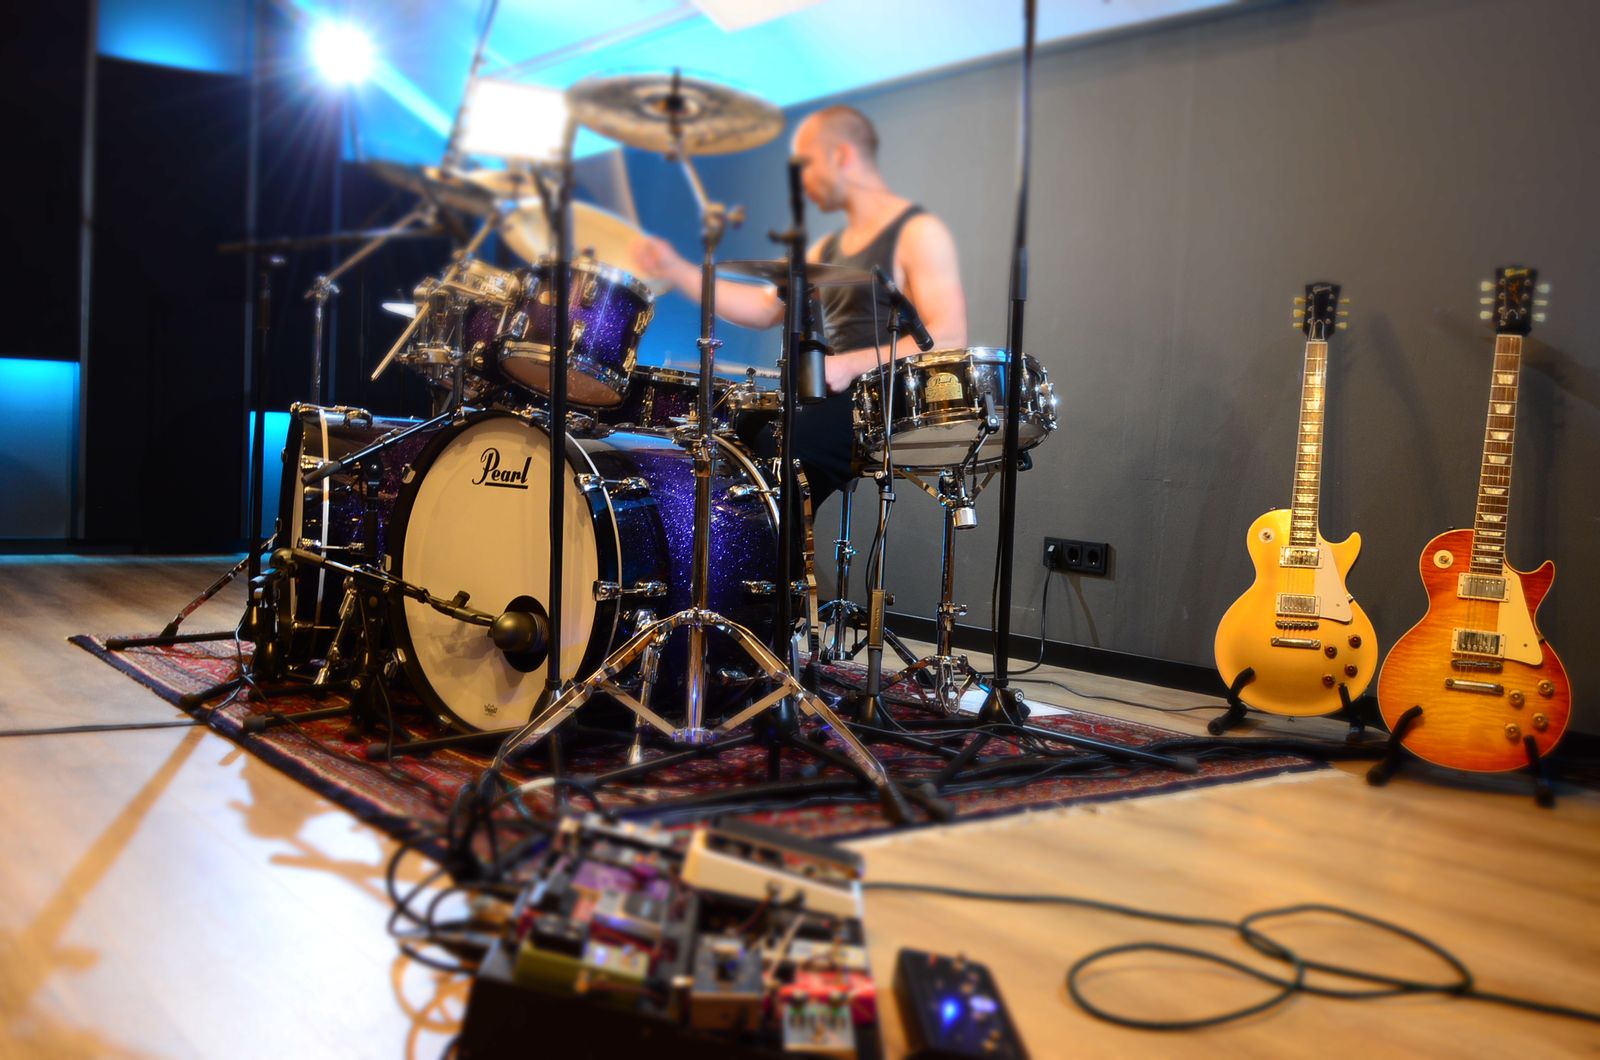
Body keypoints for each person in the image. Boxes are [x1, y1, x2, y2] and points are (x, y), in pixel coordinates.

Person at [631, 104, 967, 509]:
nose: (802, 181)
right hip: (831, 396)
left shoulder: (917, 232)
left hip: (881, 402)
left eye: (806, 164)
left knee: (787, 453)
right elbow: (763, 307)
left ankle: (779, 546)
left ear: (841, 155)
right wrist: (676, 269)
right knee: (744, 431)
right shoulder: (829, 248)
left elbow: (948, 336)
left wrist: (847, 365)